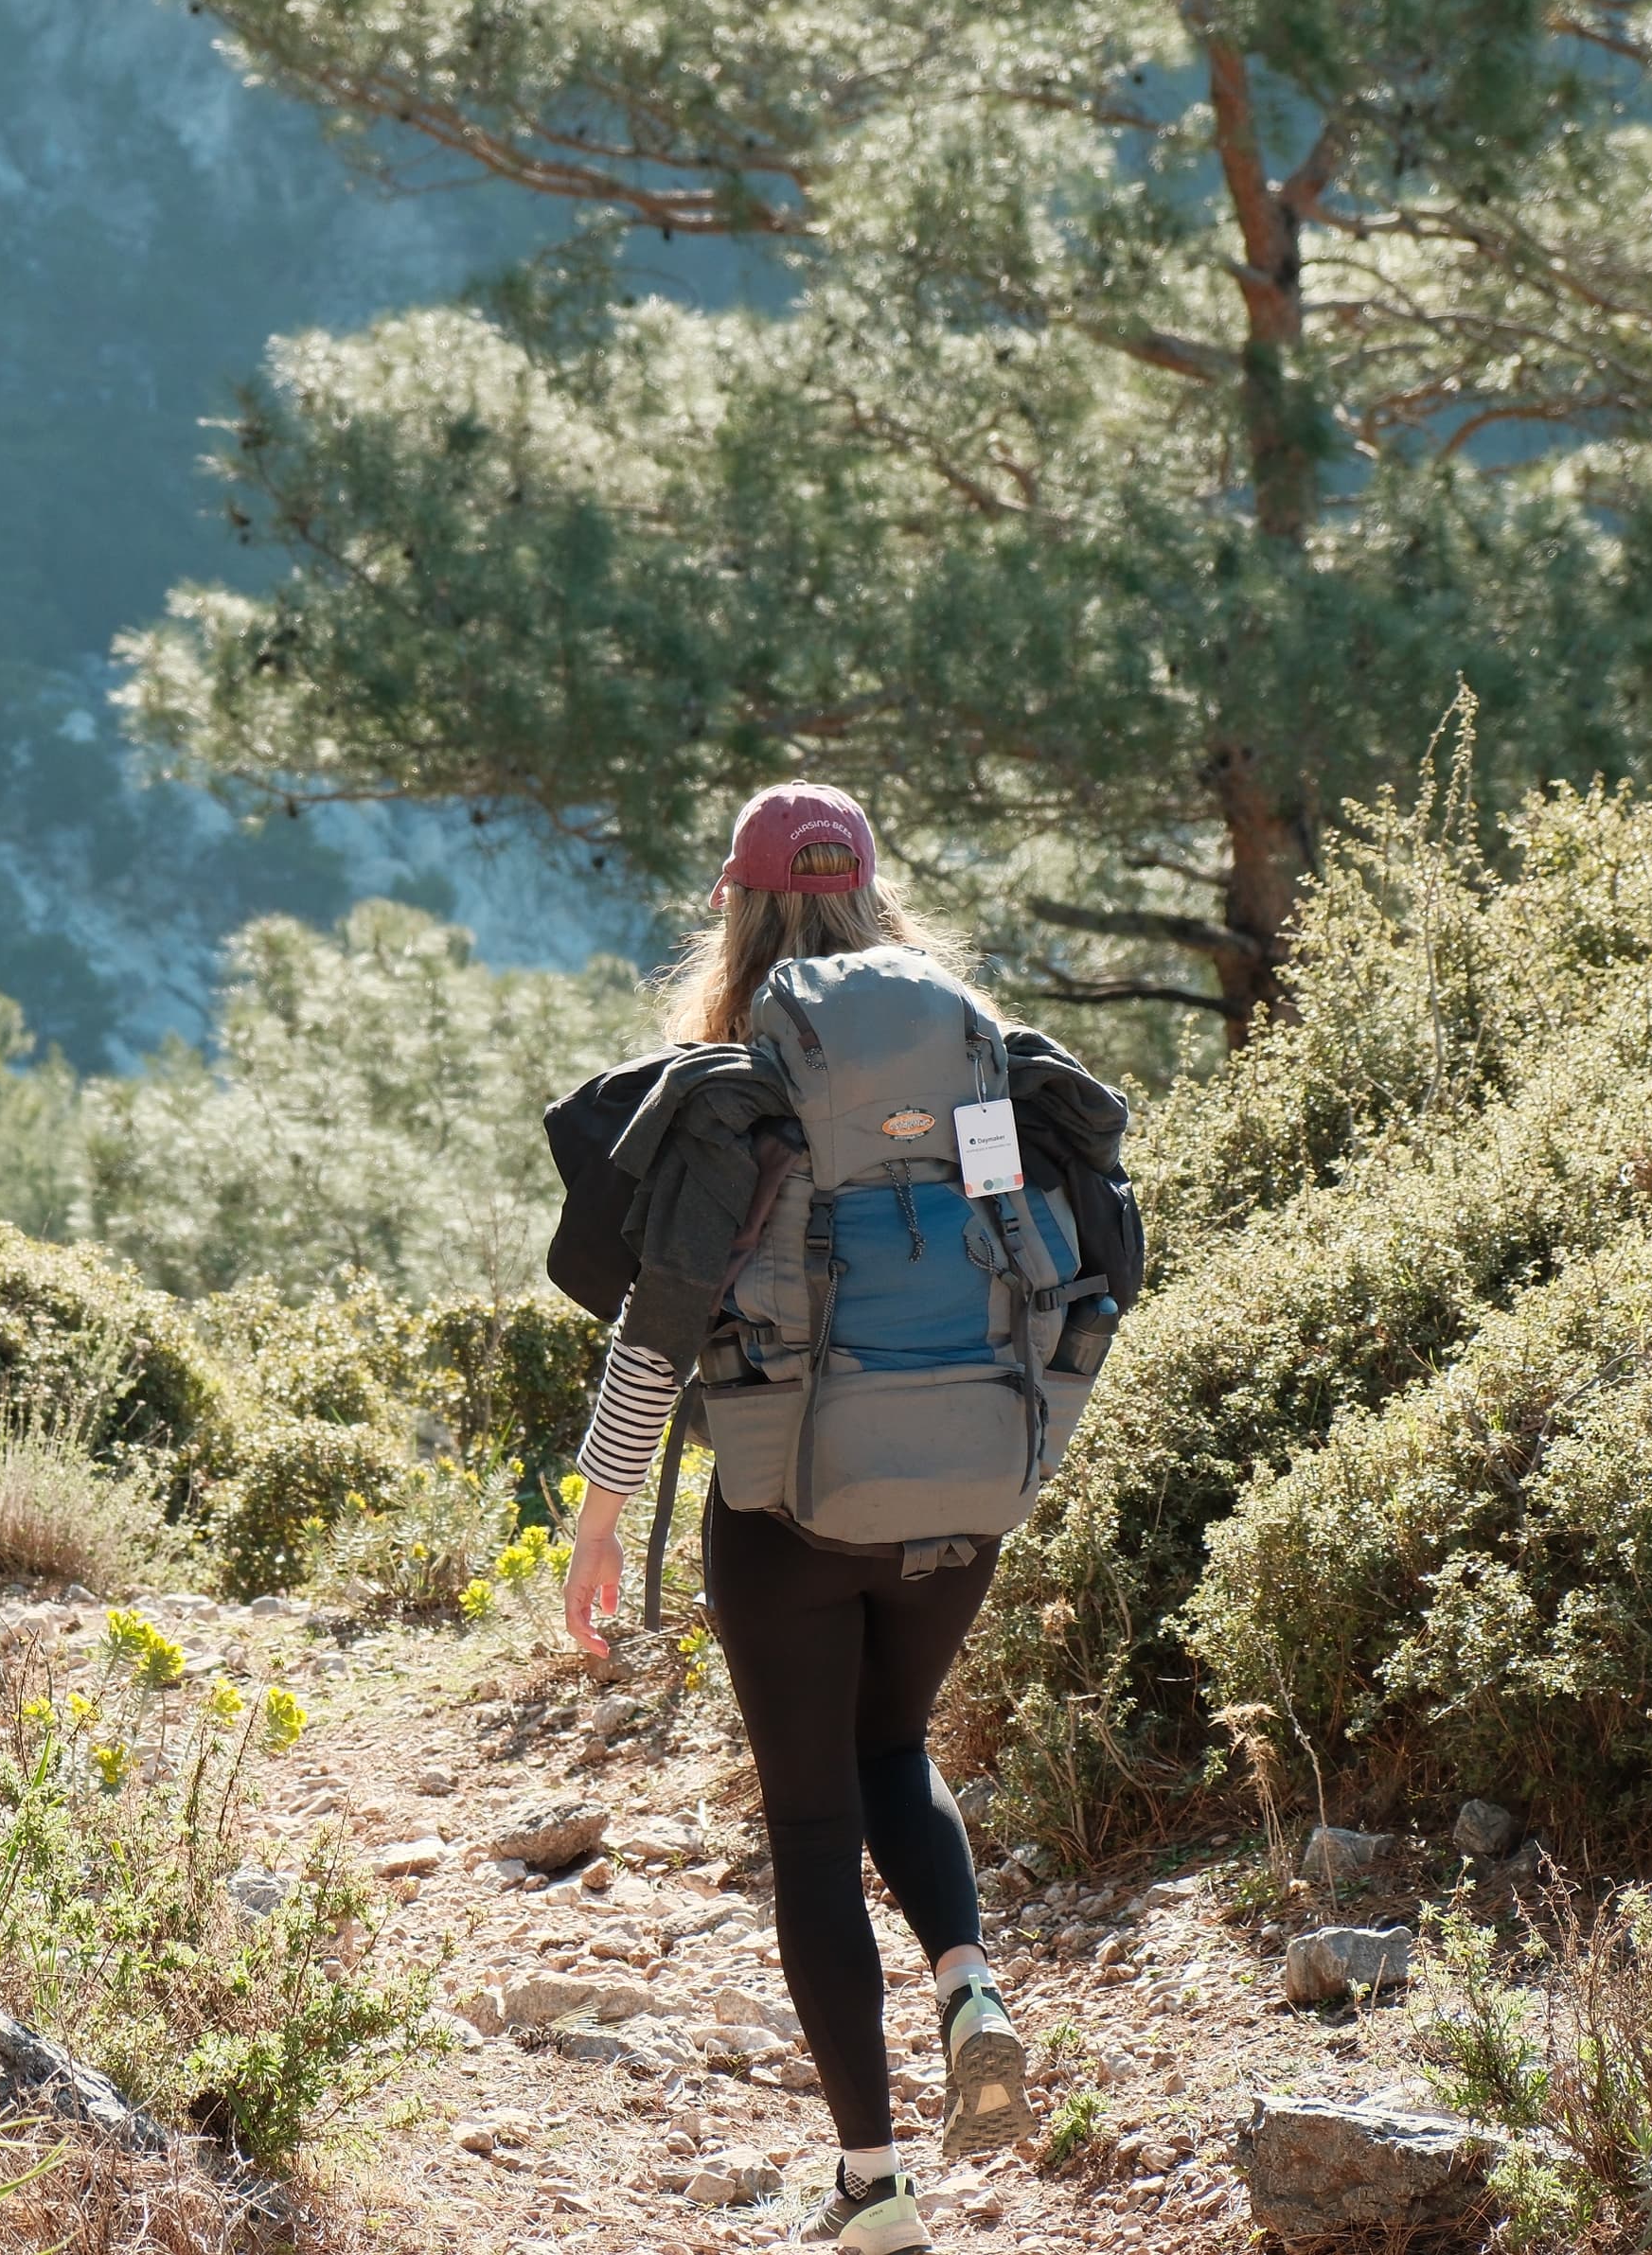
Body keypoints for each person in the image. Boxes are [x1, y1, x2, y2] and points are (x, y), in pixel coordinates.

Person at [556, 783, 1029, 2254]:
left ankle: (875, 2195)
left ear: (741, 913)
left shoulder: (734, 1090)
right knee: (897, 1749)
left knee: (816, 1824)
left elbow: (659, 1325)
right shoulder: (977, 1057)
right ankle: (968, 1981)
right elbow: (1037, 1255)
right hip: (963, 1489)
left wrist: (601, 1512)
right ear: (874, 898)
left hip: (787, 1512)